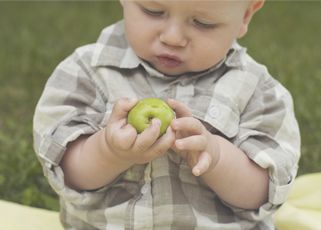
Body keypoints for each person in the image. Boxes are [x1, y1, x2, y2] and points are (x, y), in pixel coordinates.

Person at [33, 0, 301, 229]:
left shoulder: (258, 91)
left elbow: (262, 193)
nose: (173, 37)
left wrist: (216, 157)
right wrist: (109, 152)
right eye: (153, 11)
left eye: (203, 23)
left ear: (245, 15)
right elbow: (66, 170)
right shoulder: (86, 72)